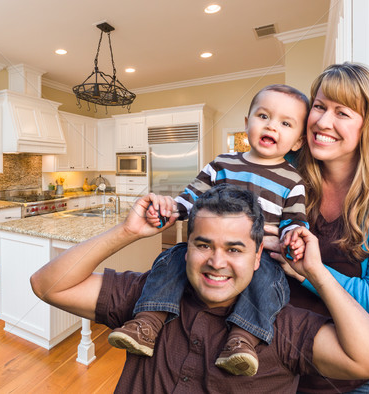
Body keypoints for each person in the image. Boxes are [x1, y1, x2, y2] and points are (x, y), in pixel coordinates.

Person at [30, 185, 369, 392]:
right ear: (185, 249)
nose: (217, 262)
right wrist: (126, 232)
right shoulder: (148, 298)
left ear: (257, 258)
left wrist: (315, 272)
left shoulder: (281, 327)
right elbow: (48, 285)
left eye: (234, 249)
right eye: (203, 245)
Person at [108, 84, 309, 376]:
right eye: (263, 116)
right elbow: (190, 198)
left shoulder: (293, 181)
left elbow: (295, 221)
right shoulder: (222, 164)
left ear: (297, 142)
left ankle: (242, 340)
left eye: (285, 123)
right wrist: (170, 211)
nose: (271, 126)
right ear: (247, 124)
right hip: (210, 246)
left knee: (269, 279)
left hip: (259, 255)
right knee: (173, 257)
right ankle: (147, 322)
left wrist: (294, 238)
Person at [275, 62, 369, 393]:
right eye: (320, 106)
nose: (323, 122)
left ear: (367, 125)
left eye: (343, 113)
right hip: (294, 354)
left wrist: (308, 272)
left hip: (368, 369)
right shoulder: (286, 170)